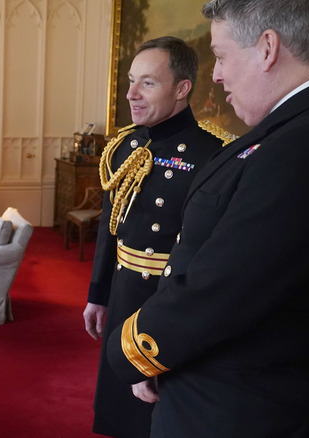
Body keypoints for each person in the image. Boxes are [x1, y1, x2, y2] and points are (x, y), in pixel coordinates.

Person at [105, 1, 309, 436]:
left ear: (267, 48)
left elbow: (221, 287)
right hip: (230, 396)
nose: (216, 75)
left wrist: (132, 353)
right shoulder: (303, 127)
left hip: (244, 410)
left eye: (220, 56)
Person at [83, 36, 226, 437]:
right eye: (131, 81)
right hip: (124, 293)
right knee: (117, 408)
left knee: (156, 415)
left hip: (166, 303)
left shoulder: (212, 155)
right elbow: (111, 226)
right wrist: (98, 293)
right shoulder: (126, 145)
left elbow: (204, 257)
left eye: (147, 83)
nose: (131, 94)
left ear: (182, 89)